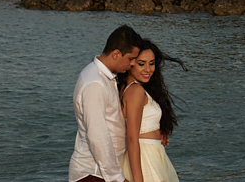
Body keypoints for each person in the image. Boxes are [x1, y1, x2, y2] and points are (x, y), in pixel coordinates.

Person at [70, 25, 143, 182]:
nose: (132, 64)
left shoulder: (104, 77)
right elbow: (98, 135)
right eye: (131, 58)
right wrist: (117, 178)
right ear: (116, 54)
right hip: (94, 173)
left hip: (101, 173)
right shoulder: (95, 82)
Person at [118, 38, 183, 182]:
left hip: (150, 154)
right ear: (131, 63)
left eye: (152, 63)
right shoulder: (135, 90)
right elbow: (132, 138)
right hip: (144, 158)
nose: (148, 69)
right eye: (141, 64)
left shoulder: (128, 88)